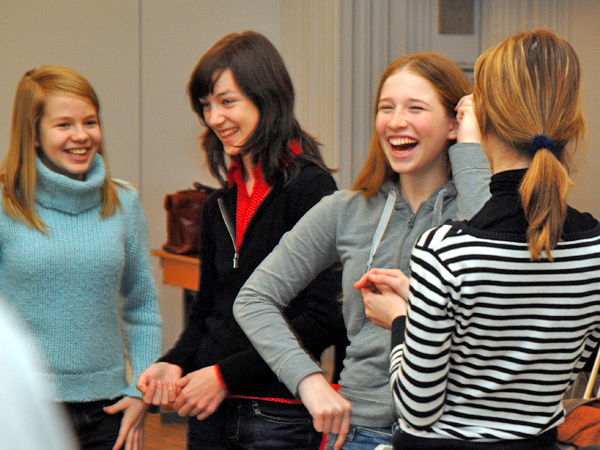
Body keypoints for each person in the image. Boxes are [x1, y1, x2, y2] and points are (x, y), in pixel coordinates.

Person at [234, 52, 492, 450]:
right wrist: (309, 382)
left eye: (415, 108)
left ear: (454, 123)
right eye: (386, 108)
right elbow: (253, 299)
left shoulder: (480, 210)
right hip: (360, 433)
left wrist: (472, 150)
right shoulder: (346, 210)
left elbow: (494, 279)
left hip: (454, 435)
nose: (396, 121)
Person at [363, 29, 600, 450]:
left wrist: (402, 319)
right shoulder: (593, 249)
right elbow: (577, 358)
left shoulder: (445, 251)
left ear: (481, 120)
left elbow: (416, 408)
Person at [136, 31, 345, 450]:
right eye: (206, 105)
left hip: (277, 414)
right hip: (210, 412)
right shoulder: (218, 204)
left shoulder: (311, 188)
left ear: (267, 98)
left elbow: (320, 318)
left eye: (227, 102)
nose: (214, 118)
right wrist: (173, 362)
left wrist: (224, 376)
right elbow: (206, 313)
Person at [0, 66, 162, 450]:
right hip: (24, 407)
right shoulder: (6, 205)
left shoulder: (124, 203)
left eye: (90, 121)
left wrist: (141, 388)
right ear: (32, 134)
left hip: (108, 411)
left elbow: (142, 306)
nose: (81, 136)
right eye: (64, 124)